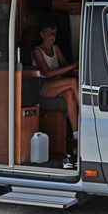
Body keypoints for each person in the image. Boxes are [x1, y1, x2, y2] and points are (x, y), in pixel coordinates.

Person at [32, 18, 80, 149]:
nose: (52, 36)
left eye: (54, 33)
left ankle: (76, 134)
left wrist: (77, 68)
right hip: (43, 86)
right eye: (48, 33)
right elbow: (46, 73)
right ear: (42, 35)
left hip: (56, 83)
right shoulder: (37, 50)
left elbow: (65, 67)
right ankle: (86, 112)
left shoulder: (55, 48)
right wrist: (71, 67)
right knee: (72, 82)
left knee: (69, 93)